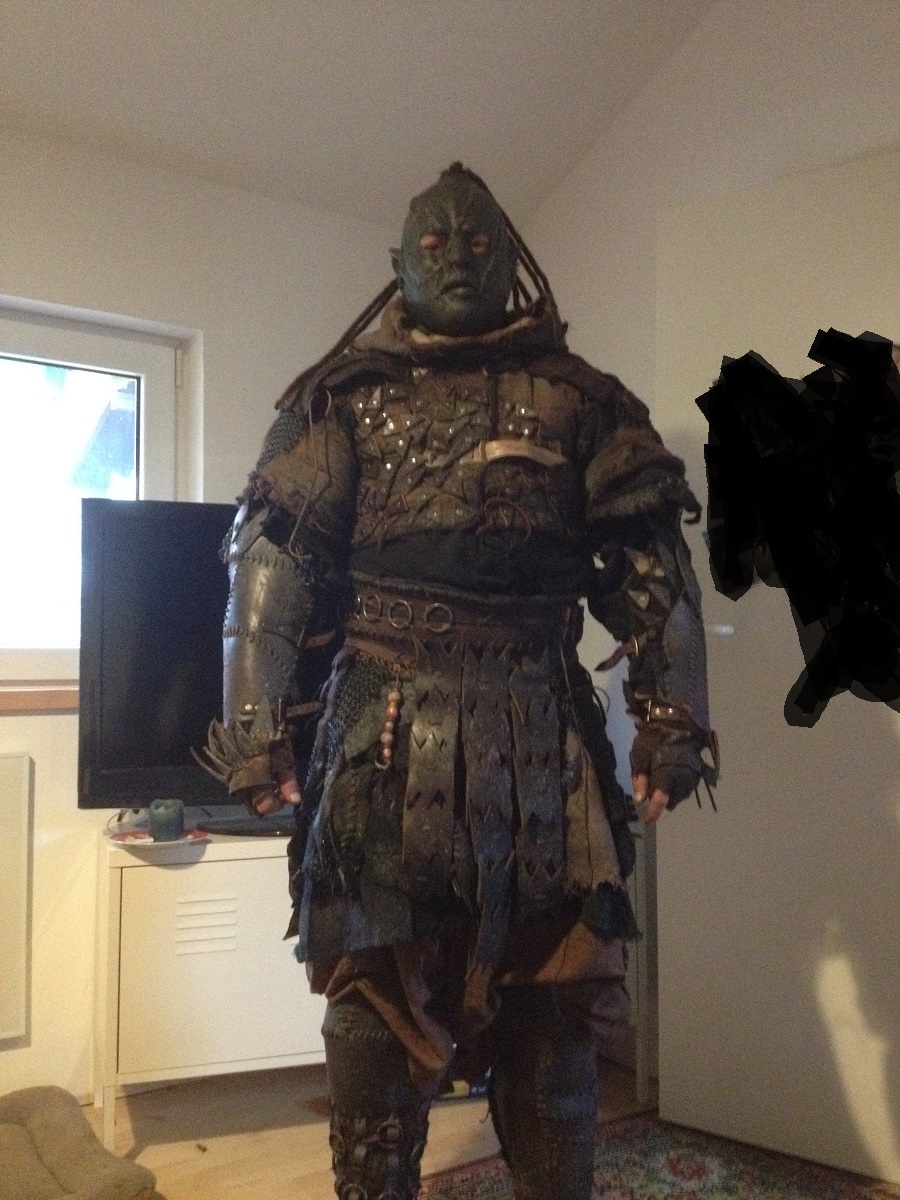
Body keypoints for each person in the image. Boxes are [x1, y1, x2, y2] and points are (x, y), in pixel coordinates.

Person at [202, 163, 718, 1200]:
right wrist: (255, 732)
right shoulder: (343, 401)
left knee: (553, 1016)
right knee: (371, 1005)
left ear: (511, 261)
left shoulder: (586, 403)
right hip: (379, 736)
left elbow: (649, 568)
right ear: (399, 262)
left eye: (477, 244)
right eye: (433, 246)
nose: (456, 260)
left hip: (544, 738)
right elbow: (275, 559)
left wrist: (670, 720)